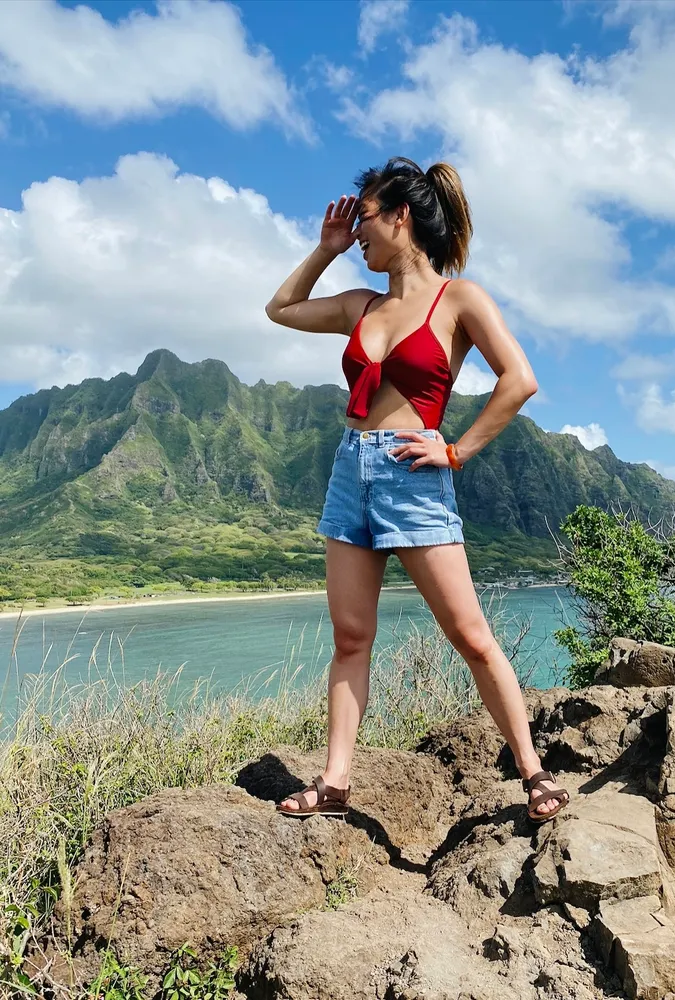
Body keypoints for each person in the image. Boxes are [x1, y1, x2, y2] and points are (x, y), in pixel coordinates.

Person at [265, 157, 569, 824]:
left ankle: (533, 771)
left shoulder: (457, 299)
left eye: (364, 216)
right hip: (351, 474)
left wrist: (455, 449)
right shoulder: (360, 305)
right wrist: (325, 250)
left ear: (401, 216)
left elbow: (517, 380)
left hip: (413, 473)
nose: (357, 229)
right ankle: (335, 781)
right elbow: (280, 308)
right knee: (350, 637)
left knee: (470, 636)